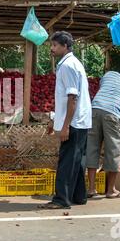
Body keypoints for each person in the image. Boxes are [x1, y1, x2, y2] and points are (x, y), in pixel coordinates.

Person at [40, 31, 92, 209]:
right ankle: (79, 196)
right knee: (77, 160)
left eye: (55, 45)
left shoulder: (67, 66)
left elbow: (72, 98)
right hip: (81, 120)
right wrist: (55, 120)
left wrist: (65, 126)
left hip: (74, 121)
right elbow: (64, 99)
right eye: (51, 45)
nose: (52, 49)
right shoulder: (73, 64)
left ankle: (61, 199)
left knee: (67, 160)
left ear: (65, 47)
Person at [86, 71, 120, 199]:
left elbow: (105, 91)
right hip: (112, 115)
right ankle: (111, 190)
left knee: (92, 149)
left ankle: (91, 189)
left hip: (94, 110)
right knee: (113, 151)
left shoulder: (109, 75)